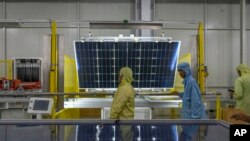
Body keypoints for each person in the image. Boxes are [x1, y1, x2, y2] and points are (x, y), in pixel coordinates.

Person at [172, 62, 206, 141]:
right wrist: (179, 94)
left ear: (186, 70)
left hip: (192, 119)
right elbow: (188, 95)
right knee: (186, 137)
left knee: (190, 137)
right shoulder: (187, 82)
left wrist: (194, 118)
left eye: (181, 71)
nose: (180, 73)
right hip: (188, 118)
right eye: (179, 71)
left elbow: (196, 101)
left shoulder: (191, 82)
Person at [110, 67, 135, 141]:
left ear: (123, 76)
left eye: (120, 75)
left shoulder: (124, 88)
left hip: (124, 121)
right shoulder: (128, 86)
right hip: (126, 120)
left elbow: (118, 106)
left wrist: (110, 120)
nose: (119, 76)